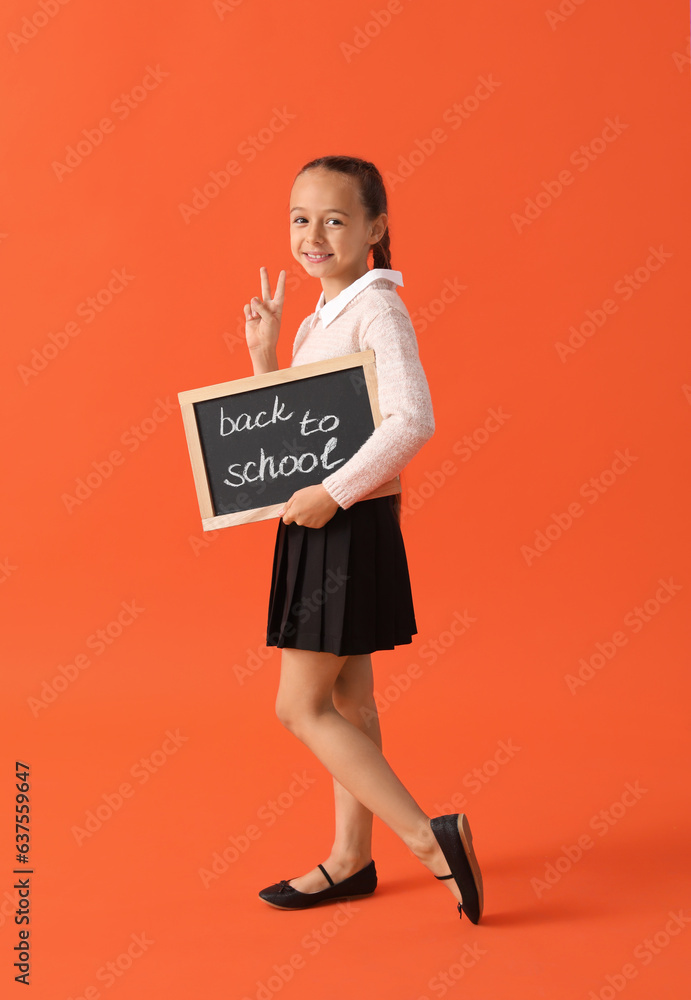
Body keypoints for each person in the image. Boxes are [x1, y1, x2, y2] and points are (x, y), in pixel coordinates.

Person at [243, 155, 484, 924]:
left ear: (376, 228)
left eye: (335, 219)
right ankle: (351, 860)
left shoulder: (378, 307)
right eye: (299, 218)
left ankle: (427, 839)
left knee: (298, 708)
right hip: (334, 519)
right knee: (349, 701)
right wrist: (266, 355)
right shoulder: (328, 310)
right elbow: (305, 428)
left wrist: (332, 493)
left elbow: (412, 419)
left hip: (342, 524)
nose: (312, 234)